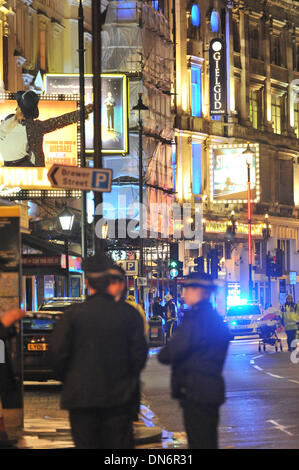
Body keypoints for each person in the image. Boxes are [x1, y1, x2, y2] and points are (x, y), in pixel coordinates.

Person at [48, 255, 148, 449]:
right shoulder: (129, 315)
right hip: (119, 399)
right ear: (110, 283)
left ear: (87, 283)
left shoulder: (72, 315)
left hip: (81, 399)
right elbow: (138, 358)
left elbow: (56, 355)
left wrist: (69, 379)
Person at [158, 272, 231, 449]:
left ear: (201, 291)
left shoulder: (195, 320)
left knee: (199, 442)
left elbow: (170, 353)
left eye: (188, 289)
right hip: (209, 390)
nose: (184, 295)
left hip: (196, 392)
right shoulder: (214, 319)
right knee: (207, 440)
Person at [0, 90, 93, 167]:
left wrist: (82, 112)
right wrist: (83, 112)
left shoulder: (10, 122)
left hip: (18, 169)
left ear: (18, 108)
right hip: (26, 171)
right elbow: (59, 121)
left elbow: (59, 121)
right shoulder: (33, 126)